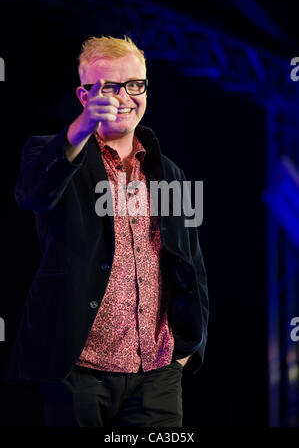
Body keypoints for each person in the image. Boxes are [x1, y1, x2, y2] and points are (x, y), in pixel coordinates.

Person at [8, 35, 209, 427]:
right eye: (109, 87)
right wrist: (82, 129)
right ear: (84, 97)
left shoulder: (171, 174)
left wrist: (188, 348)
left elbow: (193, 266)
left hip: (157, 370)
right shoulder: (52, 152)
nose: (124, 96)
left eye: (134, 84)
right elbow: (32, 193)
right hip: (79, 372)